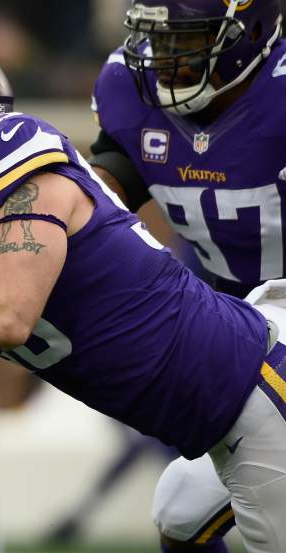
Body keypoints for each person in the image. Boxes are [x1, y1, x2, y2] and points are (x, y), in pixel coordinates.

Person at [0, 43, 286, 553]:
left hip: (256, 395)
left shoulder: (9, 150)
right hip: (221, 413)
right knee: (180, 515)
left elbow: (6, 316)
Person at [89, 1, 284, 551]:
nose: (166, 58)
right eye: (161, 39)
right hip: (243, 330)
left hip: (264, 330)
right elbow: (94, 206)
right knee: (181, 513)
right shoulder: (128, 92)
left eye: (187, 39)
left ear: (250, 35)